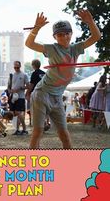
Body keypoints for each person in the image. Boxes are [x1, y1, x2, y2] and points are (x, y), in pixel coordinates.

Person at [25, 10, 101, 149]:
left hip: (57, 96)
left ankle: (69, 163)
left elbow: (96, 36)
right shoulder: (52, 49)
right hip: (42, 93)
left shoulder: (75, 48)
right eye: (60, 34)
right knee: (38, 131)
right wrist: (36, 28)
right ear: (55, 37)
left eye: (67, 33)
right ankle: (32, 163)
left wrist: (90, 21)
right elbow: (29, 44)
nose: (64, 37)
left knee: (64, 134)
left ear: (71, 34)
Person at [8, 61, 29, 135]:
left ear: (20, 66)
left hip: (20, 97)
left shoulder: (24, 75)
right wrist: (10, 90)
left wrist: (20, 88)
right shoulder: (12, 75)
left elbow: (28, 86)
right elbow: (10, 86)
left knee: (18, 112)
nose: (16, 68)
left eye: (17, 67)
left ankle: (24, 129)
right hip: (13, 97)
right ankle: (17, 129)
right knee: (14, 113)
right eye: (15, 67)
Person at [25, 59, 46, 127]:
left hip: (36, 94)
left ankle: (38, 125)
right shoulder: (44, 73)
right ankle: (43, 124)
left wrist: (27, 93)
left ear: (33, 65)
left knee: (35, 110)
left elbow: (32, 85)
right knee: (42, 110)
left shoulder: (34, 73)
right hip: (44, 94)